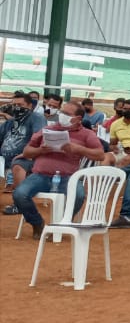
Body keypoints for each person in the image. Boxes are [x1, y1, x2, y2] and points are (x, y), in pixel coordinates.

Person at [10, 101, 105, 238]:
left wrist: (78, 149)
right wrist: (40, 150)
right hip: (40, 175)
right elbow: (27, 152)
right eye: (62, 112)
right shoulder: (47, 129)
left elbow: (100, 155)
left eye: (67, 114)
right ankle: (37, 223)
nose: (62, 115)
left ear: (78, 119)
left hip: (68, 177)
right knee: (19, 194)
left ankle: (62, 223)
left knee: (78, 195)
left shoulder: (87, 134)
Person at [1, 90, 48, 204]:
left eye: (20, 105)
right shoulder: (10, 122)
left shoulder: (36, 118)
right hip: (3, 158)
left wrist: (27, 153)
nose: (17, 108)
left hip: (25, 157)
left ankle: (20, 202)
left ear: (30, 106)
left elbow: (38, 138)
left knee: (19, 163)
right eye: (14, 105)